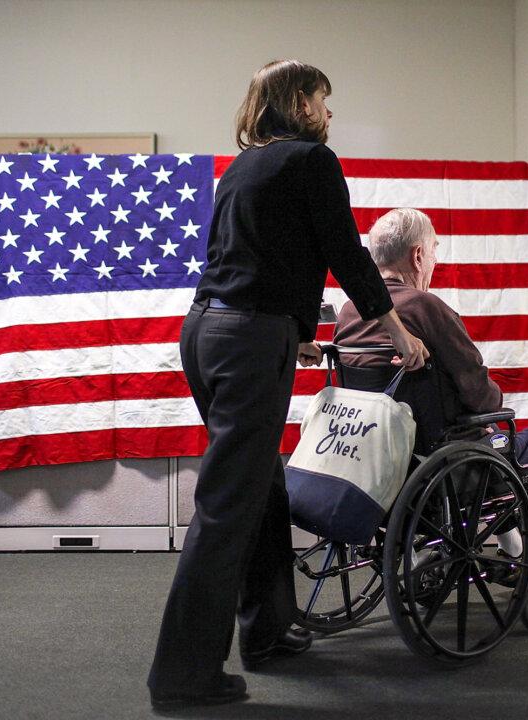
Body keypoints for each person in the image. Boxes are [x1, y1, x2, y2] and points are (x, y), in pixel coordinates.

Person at [147, 63, 429, 710]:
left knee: (260, 487)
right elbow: (346, 255)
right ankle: (182, 675)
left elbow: (253, 257)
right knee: (226, 506)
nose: (330, 115)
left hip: (207, 332)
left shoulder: (243, 167)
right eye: (325, 101)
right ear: (300, 102)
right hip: (248, 340)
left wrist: (296, 328)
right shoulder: (311, 161)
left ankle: (269, 630)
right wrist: (398, 333)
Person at [333, 208, 528, 577]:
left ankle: (516, 550)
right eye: (434, 253)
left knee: (490, 442)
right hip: (443, 465)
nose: (434, 263)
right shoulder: (426, 308)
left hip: (376, 458)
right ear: (417, 255)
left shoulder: (349, 312)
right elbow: (482, 395)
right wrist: (491, 408)